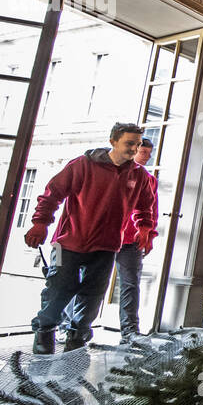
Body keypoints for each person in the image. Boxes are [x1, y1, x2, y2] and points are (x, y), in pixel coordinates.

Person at [24, 122, 156, 355]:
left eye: (137, 144)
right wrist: (40, 223)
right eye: (129, 143)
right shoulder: (83, 165)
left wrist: (144, 229)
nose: (134, 149)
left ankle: (78, 335)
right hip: (68, 241)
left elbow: (145, 207)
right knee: (59, 287)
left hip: (106, 245)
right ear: (113, 141)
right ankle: (44, 330)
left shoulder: (139, 176)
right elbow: (52, 194)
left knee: (93, 293)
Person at [114, 137, 157, 341]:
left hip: (132, 240)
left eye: (150, 153)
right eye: (144, 152)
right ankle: (70, 325)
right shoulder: (115, 174)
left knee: (130, 284)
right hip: (108, 236)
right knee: (89, 283)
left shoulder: (149, 180)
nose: (147, 157)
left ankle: (130, 330)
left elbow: (151, 210)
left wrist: (148, 234)